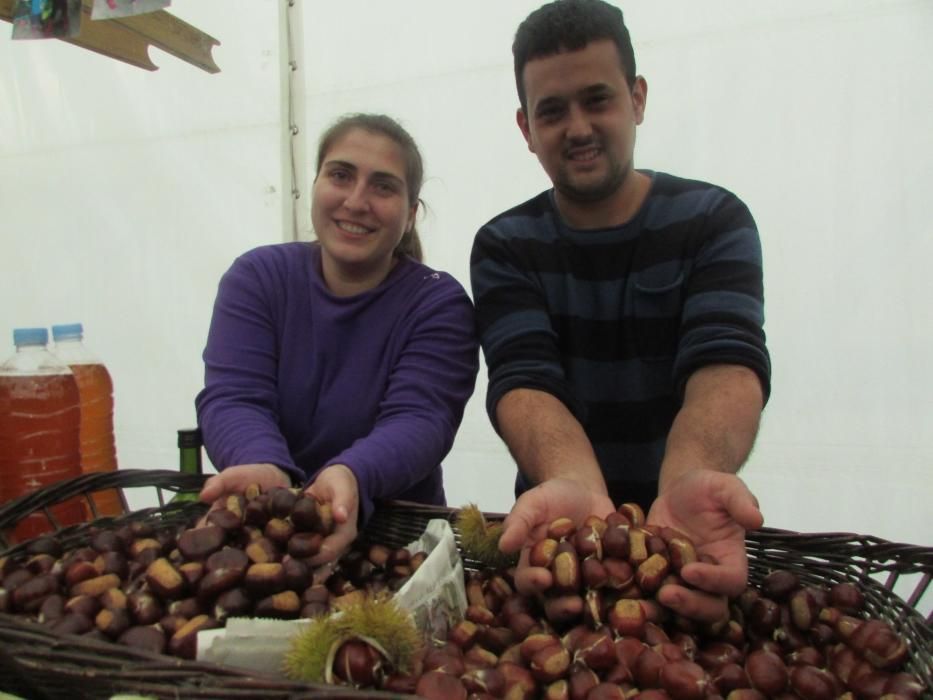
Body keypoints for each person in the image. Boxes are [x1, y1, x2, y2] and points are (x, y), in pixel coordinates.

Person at [470, 0, 770, 621]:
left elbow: (727, 365)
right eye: (552, 111)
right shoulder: (505, 245)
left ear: (636, 99)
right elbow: (524, 382)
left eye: (597, 99)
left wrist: (690, 475)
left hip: (696, 533)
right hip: (561, 542)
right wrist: (576, 483)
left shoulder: (714, 221)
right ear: (526, 129)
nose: (577, 127)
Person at [196, 113, 479, 564]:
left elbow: (421, 419)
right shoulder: (257, 278)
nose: (356, 200)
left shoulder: (437, 303)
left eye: (383, 186)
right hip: (270, 538)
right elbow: (234, 397)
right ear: (315, 186)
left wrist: (353, 475)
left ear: (410, 215)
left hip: (397, 548)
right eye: (340, 175)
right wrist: (266, 470)